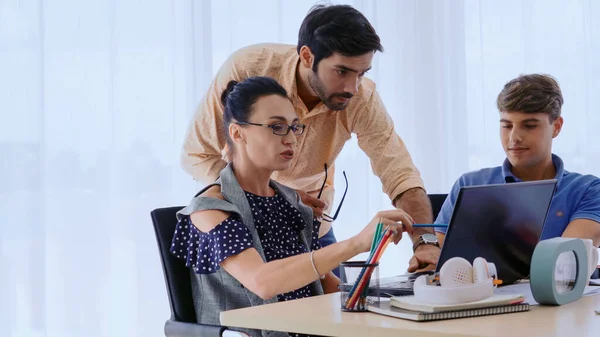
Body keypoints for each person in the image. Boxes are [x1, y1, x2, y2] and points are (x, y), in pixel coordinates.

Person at [180, 4, 440, 273]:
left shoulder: (360, 97)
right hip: (245, 229)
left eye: (362, 73)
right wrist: (280, 197)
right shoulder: (249, 69)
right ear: (307, 56)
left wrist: (426, 242)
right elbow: (197, 155)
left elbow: (400, 173)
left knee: (347, 308)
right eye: (341, 71)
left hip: (311, 229)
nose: (352, 88)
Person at [171, 76, 410, 337]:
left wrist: (397, 302)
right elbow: (262, 282)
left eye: (295, 127)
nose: (291, 139)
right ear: (238, 133)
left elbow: (323, 283)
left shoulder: (291, 203)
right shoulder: (210, 210)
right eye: (276, 127)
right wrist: (357, 243)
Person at [435, 74, 600, 247]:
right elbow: (437, 262)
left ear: (556, 127)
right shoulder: (468, 184)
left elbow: (565, 260)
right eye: (506, 126)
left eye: (529, 126)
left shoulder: (588, 191)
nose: (514, 137)